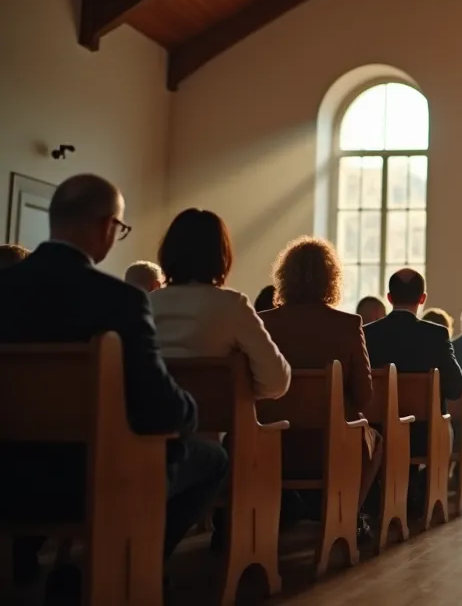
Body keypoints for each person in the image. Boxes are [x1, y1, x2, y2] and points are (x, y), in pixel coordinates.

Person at [0, 174, 224, 597]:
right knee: (210, 457)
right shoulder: (118, 299)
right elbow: (159, 407)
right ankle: (129, 568)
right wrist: (192, 412)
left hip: (7, 476)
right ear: (106, 226)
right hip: (88, 477)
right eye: (119, 229)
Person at [259, 237, 381, 538]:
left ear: (283, 278)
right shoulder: (347, 325)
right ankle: (350, 514)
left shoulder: (263, 323)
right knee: (376, 439)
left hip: (270, 445)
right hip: (331, 446)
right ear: (332, 279)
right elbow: (364, 397)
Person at [149, 208, 290, 399]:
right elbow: (276, 381)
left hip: (155, 422)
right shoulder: (232, 305)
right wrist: (240, 391)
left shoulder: (148, 303)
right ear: (221, 255)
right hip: (215, 424)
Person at [363, 269, 462, 458]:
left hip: (377, 434)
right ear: (422, 299)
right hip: (424, 436)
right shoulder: (436, 335)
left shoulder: (367, 334)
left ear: (389, 297)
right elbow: (456, 388)